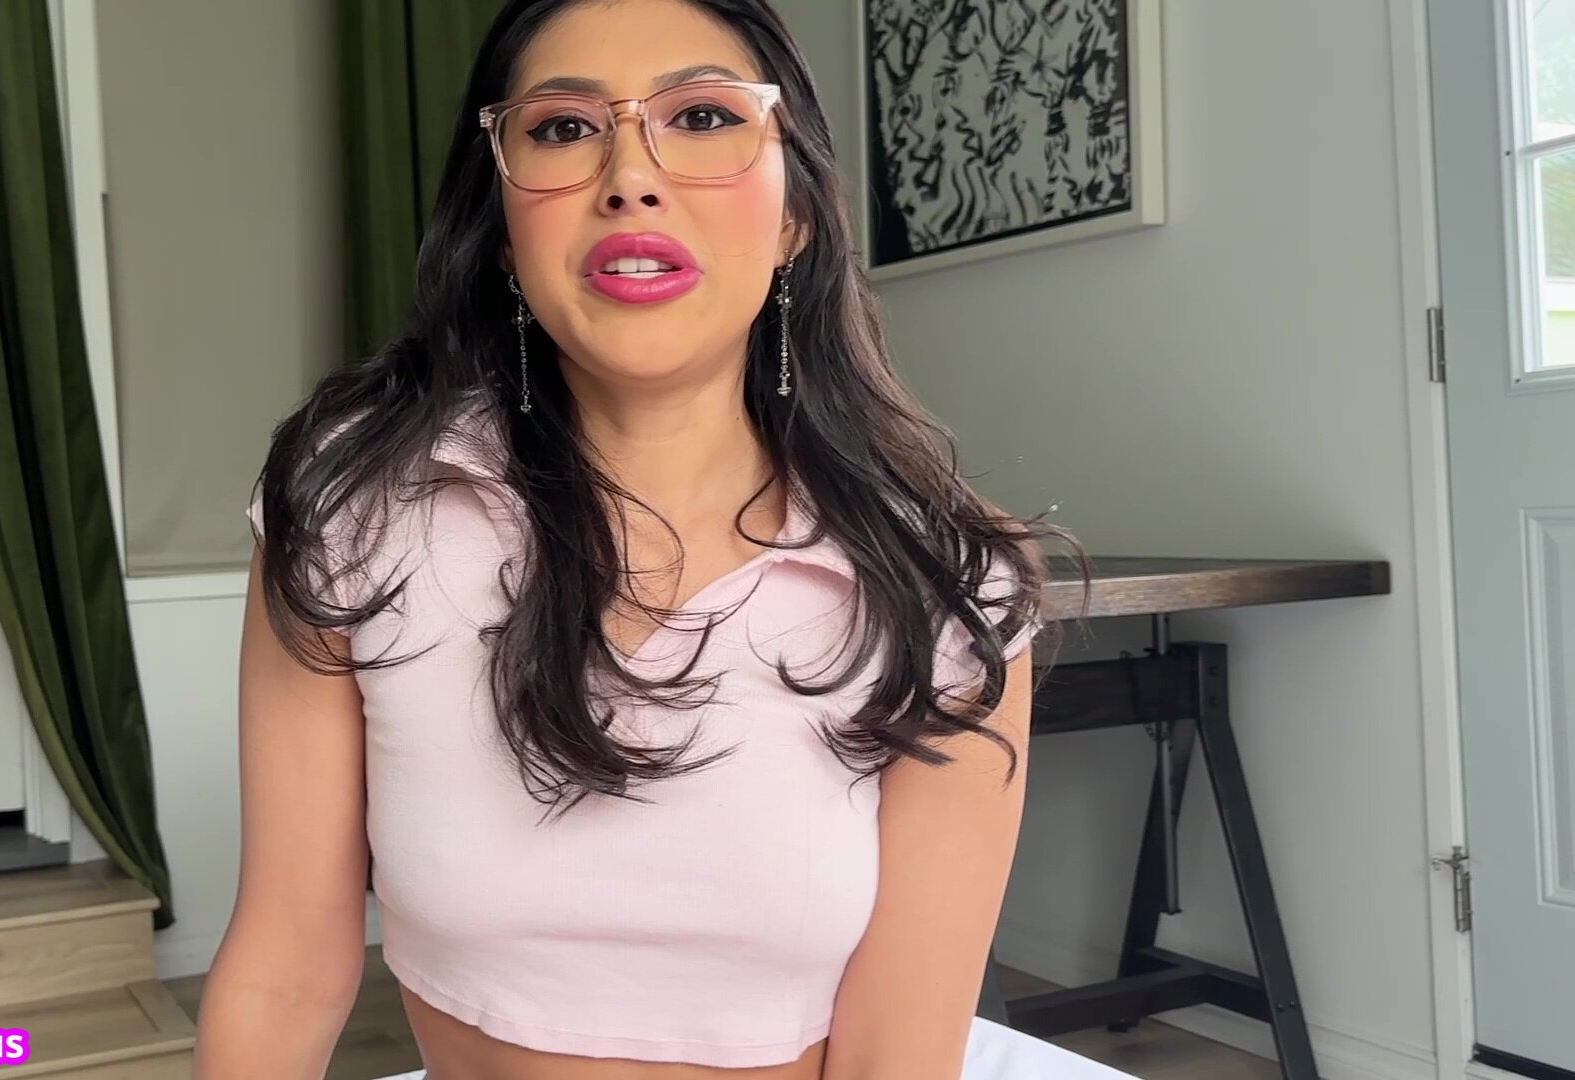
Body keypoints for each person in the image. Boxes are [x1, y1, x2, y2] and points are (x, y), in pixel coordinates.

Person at [194, 2, 1113, 1078]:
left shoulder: (944, 586)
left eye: (704, 117)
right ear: (503, 232)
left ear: (796, 215)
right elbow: (285, 971)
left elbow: (894, 1060)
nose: (630, 176)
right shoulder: (351, 507)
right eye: (563, 128)